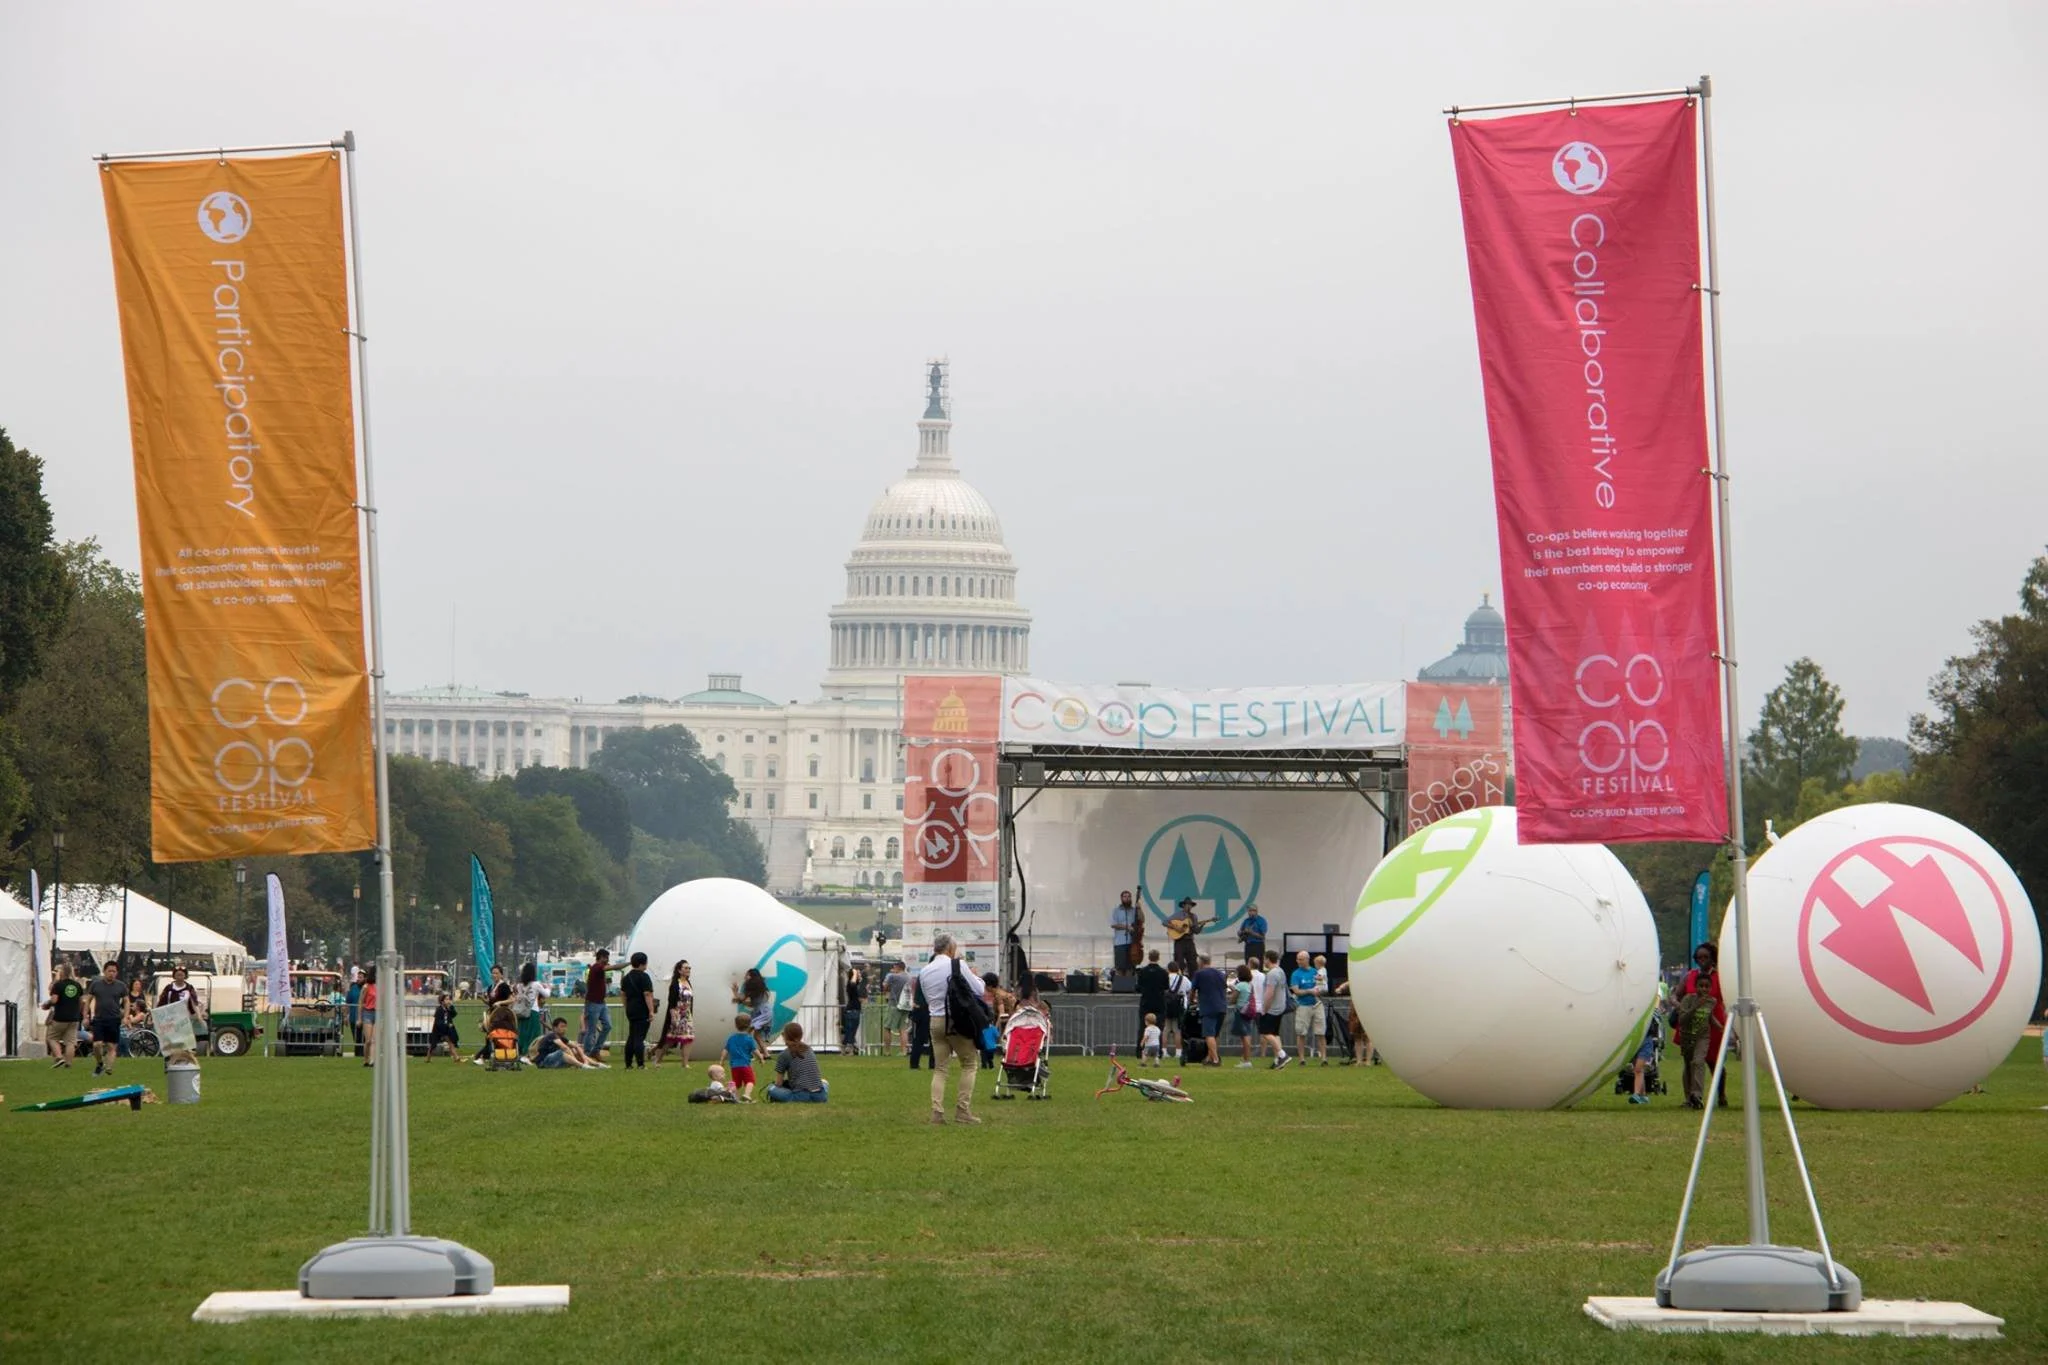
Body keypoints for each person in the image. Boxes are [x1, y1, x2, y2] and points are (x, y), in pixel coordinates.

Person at [920, 933, 988, 1124]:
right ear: (950, 949)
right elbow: (979, 989)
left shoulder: (925, 971)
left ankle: (937, 1112)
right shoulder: (957, 965)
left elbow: (927, 998)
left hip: (936, 1021)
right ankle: (962, 1111)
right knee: (969, 1064)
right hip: (957, 1021)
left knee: (940, 1069)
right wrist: (973, 974)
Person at [1675, 942, 1728, 1109]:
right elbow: (1676, 995)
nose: (1702, 960)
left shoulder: (1720, 977)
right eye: (1699, 957)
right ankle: (1691, 1097)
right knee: (1690, 1062)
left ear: (1713, 958)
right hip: (1690, 1023)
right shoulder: (1691, 975)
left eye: (1706, 957)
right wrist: (1682, 1007)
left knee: (1714, 1062)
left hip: (1713, 1022)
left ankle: (1720, 1094)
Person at [768, 1021, 829, 1102]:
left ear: (784, 1035)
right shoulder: (809, 1050)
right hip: (820, 1096)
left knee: (771, 1088)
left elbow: (778, 1083)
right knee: (824, 1082)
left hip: (801, 1096)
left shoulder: (784, 1055)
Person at [651, 961, 694, 1069]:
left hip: (687, 1015)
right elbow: (671, 1001)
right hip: (676, 1013)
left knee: (688, 1038)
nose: (688, 970)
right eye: (685, 968)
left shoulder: (688, 983)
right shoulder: (675, 984)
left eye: (689, 968)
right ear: (679, 970)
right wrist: (673, 1015)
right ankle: (658, 1059)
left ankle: (685, 1063)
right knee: (670, 1039)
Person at [86, 961, 125, 1077]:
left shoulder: (121, 986)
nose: (111, 973)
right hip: (99, 1018)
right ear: (104, 971)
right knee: (97, 1044)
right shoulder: (96, 984)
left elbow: (127, 1001)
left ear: (117, 973)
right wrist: (86, 1015)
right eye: (109, 971)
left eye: (114, 971)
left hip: (114, 1018)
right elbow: (88, 1000)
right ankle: (100, 1063)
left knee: (111, 1046)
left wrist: (126, 1016)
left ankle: (108, 1068)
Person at [158, 963, 208, 1054]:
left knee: (185, 1036)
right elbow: (161, 1001)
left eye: (182, 974)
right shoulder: (169, 988)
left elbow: (194, 1003)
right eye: (177, 974)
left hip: (185, 1017)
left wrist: (199, 1016)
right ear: (174, 976)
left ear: (185, 976)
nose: (180, 976)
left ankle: (187, 1052)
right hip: (171, 1017)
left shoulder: (189, 988)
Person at [620, 951, 656, 1070]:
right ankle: (640, 1063)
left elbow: (623, 994)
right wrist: (651, 1011)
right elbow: (647, 995)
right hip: (641, 1009)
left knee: (632, 1036)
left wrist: (627, 1007)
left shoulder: (626, 977)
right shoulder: (644, 977)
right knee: (639, 1037)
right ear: (643, 963)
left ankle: (628, 1063)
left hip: (631, 1009)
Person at [44, 962, 83, 1068]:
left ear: (62, 972)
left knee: (52, 1038)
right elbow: (80, 1001)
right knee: (70, 1042)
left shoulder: (58, 985)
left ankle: (59, 1057)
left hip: (60, 1017)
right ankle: (69, 1064)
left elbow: (54, 1000)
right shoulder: (77, 985)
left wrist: (46, 1004)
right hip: (74, 1018)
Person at [1190, 955, 1228, 1066]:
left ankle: (1215, 1059)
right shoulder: (1220, 974)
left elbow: (1193, 990)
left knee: (1209, 1034)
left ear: (1201, 962)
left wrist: (1191, 1000)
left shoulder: (1199, 974)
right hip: (1221, 1006)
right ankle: (1209, 1057)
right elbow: (1224, 988)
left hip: (1208, 1007)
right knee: (1215, 1034)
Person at [1290, 950, 1326, 1065]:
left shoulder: (1315, 971)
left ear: (1307, 959)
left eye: (1301, 959)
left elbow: (1321, 986)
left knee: (1320, 1032)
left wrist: (1319, 990)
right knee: (1301, 1033)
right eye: (1297, 959)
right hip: (1303, 1006)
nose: (1298, 961)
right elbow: (1296, 991)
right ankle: (1302, 1059)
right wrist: (1309, 991)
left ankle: (1324, 1058)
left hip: (1317, 1004)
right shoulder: (1296, 974)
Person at [530, 1016, 604, 1069]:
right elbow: (564, 1047)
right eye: (562, 1026)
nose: (564, 1029)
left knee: (574, 1049)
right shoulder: (551, 1035)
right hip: (543, 1063)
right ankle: (582, 1066)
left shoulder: (561, 1037)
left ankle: (597, 1065)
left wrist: (584, 1059)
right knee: (561, 1052)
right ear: (555, 1028)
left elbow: (575, 1046)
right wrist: (575, 1059)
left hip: (553, 1061)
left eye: (565, 1026)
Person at [1628, 1007, 1668, 1105]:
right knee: (1638, 1070)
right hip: (1634, 1042)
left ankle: (1636, 1094)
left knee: (1638, 1069)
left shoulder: (1651, 1014)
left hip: (1646, 1043)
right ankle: (1644, 1096)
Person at [1259, 950, 1291, 1069]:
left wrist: (1264, 1009)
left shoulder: (1272, 974)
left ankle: (1282, 1055)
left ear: (1267, 959)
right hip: (1280, 1007)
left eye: (1265, 959)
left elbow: (1269, 993)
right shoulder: (1281, 971)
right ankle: (1278, 1060)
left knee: (1265, 1033)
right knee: (1275, 1034)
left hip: (1272, 1008)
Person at [580, 949, 614, 1057]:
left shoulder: (599, 969)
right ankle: (587, 1053)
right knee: (591, 1030)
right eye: (605, 957)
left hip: (601, 1003)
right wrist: (628, 963)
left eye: (607, 957)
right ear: (600, 957)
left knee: (608, 1026)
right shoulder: (596, 967)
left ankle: (595, 1051)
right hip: (593, 1003)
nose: (607, 960)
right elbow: (613, 967)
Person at [1134, 949, 1170, 1050]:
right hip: (1159, 1002)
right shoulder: (1163, 972)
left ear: (1148, 957)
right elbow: (1166, 986)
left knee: (1143, 1027)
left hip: (1146, 1002)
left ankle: (1140, 1050)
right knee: (1159, 1028)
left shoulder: (1142, 971)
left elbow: (1138, 987)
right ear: (1158, 958)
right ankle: (1158, 1051)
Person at [513, 961, 547, 1060]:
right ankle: (531, 1054)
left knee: (522, 1033)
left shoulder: (519, 985)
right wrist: (549, 988)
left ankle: (521, 1052)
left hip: (522, 1012)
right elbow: (546, 994)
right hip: (533, 1011)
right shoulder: (536, 984)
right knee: (534, 1034)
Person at [724, 1013, 761, 1101]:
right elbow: (755, 1050)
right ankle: (747, 1095)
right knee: (750, 1081)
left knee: (737, 1083)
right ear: (749, 1025)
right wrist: (761, 1058)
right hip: (745, 1065)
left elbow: (725, 1050)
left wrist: (721, 1060)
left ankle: (730, 1092)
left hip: (734, 1066)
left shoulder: (731, 1038)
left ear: (736, 1025)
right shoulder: (749, 1038)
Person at [734, 968, 772, 1051]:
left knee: (747, 1030)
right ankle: (766, 1054)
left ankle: (744, 1050)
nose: (745, 977)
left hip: (762, 1013)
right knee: (756, 1036)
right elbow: (752, 1004)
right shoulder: (761, 989)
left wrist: (735, 992)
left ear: (751, 977)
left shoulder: (753, 989)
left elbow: (743, 999)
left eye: (747, 975)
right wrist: (739, 1000)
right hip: (764, 1012)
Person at [881, 959, 911, 1057]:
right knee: (903, 1029)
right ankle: (903, 1051)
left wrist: (889, 975)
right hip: (905, 1005)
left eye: (894, 967)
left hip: (894, 1004)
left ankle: (887, 1051)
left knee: (887, 1027)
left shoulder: (892, 976)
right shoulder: (909, 977)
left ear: (897, 967)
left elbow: (884, 987)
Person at [1231, 962, 1259, 1067]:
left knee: (1244, 1037)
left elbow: (1233, 999)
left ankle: (1247, 1060)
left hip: (1241, 1012)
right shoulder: (1249, 985)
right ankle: (1245, 1059)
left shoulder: (1240, 985)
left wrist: (1232, 991)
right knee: (1247, 1034)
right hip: (1248, 1012)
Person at [1166, 897, 1200, 973]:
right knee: (1179, 962)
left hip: (1189, 941)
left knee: (1193, 963)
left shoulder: (1194, 916)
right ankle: (1179, 980)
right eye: (1187, 904)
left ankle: (1192, 982)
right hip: (1179, 941)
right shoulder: (1178, 915)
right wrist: (1176, 928)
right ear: (1183, 905)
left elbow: (1196, 931)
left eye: (1190, 905)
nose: (1189, 906)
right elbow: (1165, 922)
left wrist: (1200, 926)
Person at [907, 973, 933, 1071]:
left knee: (918, 1039)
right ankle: (933, 1064)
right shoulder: (932, 978)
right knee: (934, 1040)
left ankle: (914, 1064)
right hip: (930, 1010)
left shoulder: (922, 976)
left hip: (920, 1010)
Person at [121, 975, 151, 1057]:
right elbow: (122, 1006)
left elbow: (144, 1006)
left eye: (139, 984)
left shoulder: (141, 996)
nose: (137, 986)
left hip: (136, 1020)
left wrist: (130, 1017)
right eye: (136, 984)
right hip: (129, 1015)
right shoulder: (127, 995)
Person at [1110, 890, 1138, 974]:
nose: (1127, 898)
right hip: (1120, 943)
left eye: (1129, 896)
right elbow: (1113, 924)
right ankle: (1121, 986)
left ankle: (1129, 986)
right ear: (1121, 898)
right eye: (1125, 897)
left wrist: (1139, 908)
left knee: (1130, 968)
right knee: (1120, 968)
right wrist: (1127, 927)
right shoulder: (1116, 910)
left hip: (1132, 943)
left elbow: (1142, 920)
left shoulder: (1134, 910)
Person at [1164, 961, 1191, 1050]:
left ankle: (1164, 1050)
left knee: (1166, 1029)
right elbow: (1189, 989)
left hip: (1166, 1005)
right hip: (1180, 1006)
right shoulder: (1184, 979)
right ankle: (1178, 1051)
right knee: (1177, 1030)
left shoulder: (1165, 978)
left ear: (1168, 969)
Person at [427, 992, 461, 1061]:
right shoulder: (439, 1010)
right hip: (438, 1030)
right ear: (442, 1001)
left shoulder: (448, 1009)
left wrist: (451, 1006)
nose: (448, 1001)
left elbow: (454, 1014)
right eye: (446, 999)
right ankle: (428, 1058)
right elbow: (438, 1022)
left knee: (451, 1042)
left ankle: (456, 1058)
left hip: (446, 1030)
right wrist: (447, 1024)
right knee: (433, 1045)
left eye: (449, 999)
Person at [840, 964, 866, 1055]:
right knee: (851, 1031)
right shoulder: (851, 985)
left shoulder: (855, 986)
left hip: (853, 1010)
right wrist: (854, 973)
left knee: (850, 1031)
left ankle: (846, 1048)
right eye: (858, 974)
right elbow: (853, 983)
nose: (860, 975)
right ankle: (848, 1048)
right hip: (852, 1011)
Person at [1238, 903, 1268, 968]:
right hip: (1248, 945)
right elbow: (1241, 932)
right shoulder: (1246, 921)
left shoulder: (1261, 921)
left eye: (1252, 910)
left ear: (1256, 911)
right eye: (1249, 911)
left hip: (1258, 946)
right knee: (1248, 964)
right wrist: (1241, 932)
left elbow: (1263, 936)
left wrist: (1252, 933)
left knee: (1258, 965)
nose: (1250, 912)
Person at [344, 969, 365, 1058]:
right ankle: (358, 1055)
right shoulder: (353, 988)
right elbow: (347, 1003)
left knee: (364, 1037)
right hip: (353, 1017)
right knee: (356, 1038)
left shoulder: (367, 987)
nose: (359, 979)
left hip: (365, 1017)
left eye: (361, 977)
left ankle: (364, 1054)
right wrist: (346, 1016)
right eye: (358, 977)